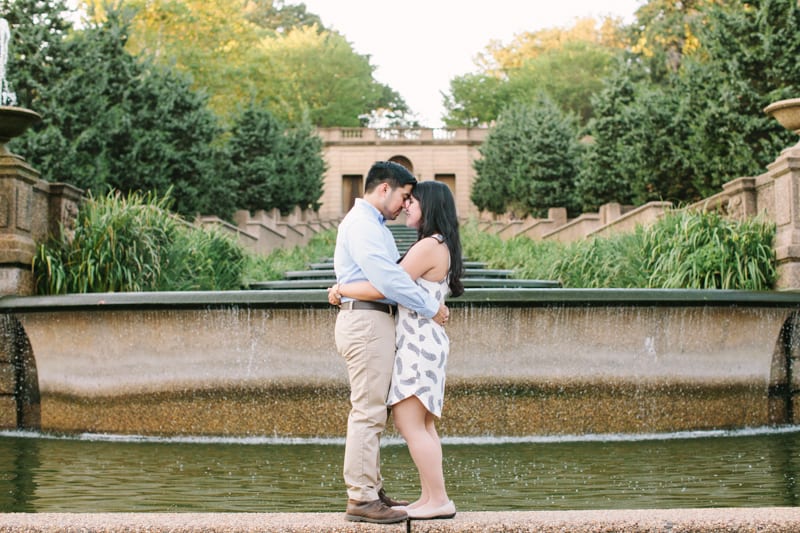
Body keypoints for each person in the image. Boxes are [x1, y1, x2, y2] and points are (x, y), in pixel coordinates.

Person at [330, 180, 464, 520]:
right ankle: (432, 497)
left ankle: (438, 500)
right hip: (425, 343)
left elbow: (387, 285)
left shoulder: (427, 247)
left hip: (418, 346)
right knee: (423, 425)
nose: (407, 206)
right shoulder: (437, 243)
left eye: (413, 201)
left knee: (410, 424)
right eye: (406, 199)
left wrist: (343, 288)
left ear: (429, 207)